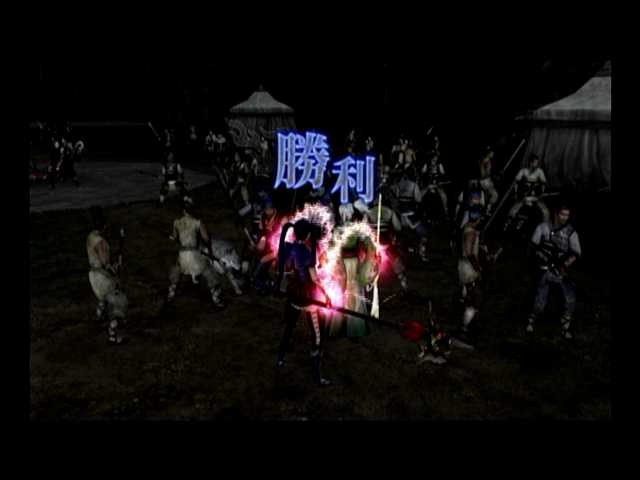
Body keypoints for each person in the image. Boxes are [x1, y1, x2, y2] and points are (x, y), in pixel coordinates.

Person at [275, 219, 332, 386]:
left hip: (294, 295)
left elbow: (286, 268)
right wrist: (326, 296)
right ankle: (317, 377)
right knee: (318, 336)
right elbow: (314, 279)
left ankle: (280, 358)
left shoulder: (289, 246)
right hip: (309, 298)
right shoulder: (308, 252)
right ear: (307, 235)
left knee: (289, 327)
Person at [527, 204, 582, 339]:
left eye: (567, 215)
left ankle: (565, 327)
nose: (564, 218)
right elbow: (533, 247)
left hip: (561, 271)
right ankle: (531, 321)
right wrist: (540, 258)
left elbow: (576, 253)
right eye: (562, 214)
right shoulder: (543, 227)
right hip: (544, 269)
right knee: (540, 302)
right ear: (556, 214)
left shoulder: (571, 232)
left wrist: (565, 265)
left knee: (569, 300)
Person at [166, 200, 225, 308]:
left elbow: (173, 238)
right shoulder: (197, 222)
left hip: (183, 255)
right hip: (194, 254)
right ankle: (216, 298)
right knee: (209, 272)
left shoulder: (176, 222)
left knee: (176, 268)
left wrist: (172, 238)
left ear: (183, 211)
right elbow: (206, 239)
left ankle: (171, 292)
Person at [86, 207, 128, 344]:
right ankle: (113, 334)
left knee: (105, 299)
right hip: (101, 276)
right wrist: (115, 269)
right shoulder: (100, 241)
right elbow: (105, 262)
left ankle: (99, 315)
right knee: (116, 303)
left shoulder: (90, 237)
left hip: (93, 275)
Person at [504, 154, 550, 232]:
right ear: (530, 163)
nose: (536, 164)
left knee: (545, 211)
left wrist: (541, 192)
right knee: (514, 209)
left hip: (535, 195)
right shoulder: (523, 171)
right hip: (524, 194)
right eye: (535, 162)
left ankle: (545, 229)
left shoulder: (539, 171)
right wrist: (516, 193)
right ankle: (507, 224)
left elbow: (544, 183)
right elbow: (516, 182)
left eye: (537, 162)